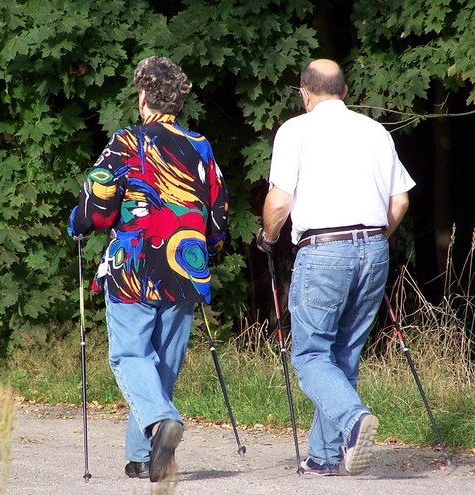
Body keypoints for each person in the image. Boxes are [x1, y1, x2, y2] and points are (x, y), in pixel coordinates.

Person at [68, 56, 228, 482]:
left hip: (134, 267)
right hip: (186, 265)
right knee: (163, 364)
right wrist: (211, 251)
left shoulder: (127, 141)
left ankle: (160, 421)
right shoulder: (200, 146)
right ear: (179, 102)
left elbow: (97, 202)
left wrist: (78, 223)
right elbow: (218, 212)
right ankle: (143, 456)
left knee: (129, 355)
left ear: (143, 99)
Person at [256, 59, 415, 476]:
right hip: (374, 247)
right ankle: (325, 457)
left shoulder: (295, 130)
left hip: (324, 249)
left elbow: (279, 202)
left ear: (304, 93)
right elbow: (400, 201)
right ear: (345, 92)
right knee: (343, 353)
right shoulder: (376, 131)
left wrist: (269, 237)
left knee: (310, 355)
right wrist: (374, 239)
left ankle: (353, 419)